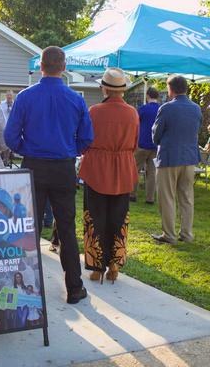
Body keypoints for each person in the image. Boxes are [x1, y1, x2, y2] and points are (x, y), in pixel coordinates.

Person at [4, 46, 93, 304]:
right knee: (66, 228)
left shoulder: (25, 97)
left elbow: (10, 136)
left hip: (33, 166)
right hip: (63, 166)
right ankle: (74, 288)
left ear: (40, 67)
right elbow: (87, 137)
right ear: (63, 67)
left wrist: (26, 149)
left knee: (26, 228)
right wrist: (70, 150)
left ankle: (22, 290)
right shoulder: (76, 99)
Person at [79, 67, 139, 283]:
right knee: (119, 217)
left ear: (104, 88)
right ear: (122, 90)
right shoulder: (132, 113)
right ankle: (114, 263)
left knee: (94, 217)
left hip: (96, 167)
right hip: (123, 168)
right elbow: (134, 143)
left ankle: (96, 267)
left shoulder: (94, 111)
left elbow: (84, 140)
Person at [151, 75, 202, 244]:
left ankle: (169, 235)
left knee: (167, 197)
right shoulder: (196, 108)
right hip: (189, 158)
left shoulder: (166, 108)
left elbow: (156, 135)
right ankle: (187, 234)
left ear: (170, 89)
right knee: (187, 197)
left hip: (169, 157)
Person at [131, 87, 160, 204]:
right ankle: (150, 198)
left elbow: (135, 124)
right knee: (152, 173)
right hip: (155, 145)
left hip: (142, 144)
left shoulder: (142, 109)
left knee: (135, 170)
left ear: (147, 96)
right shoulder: (161, 109)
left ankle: (132, 194)